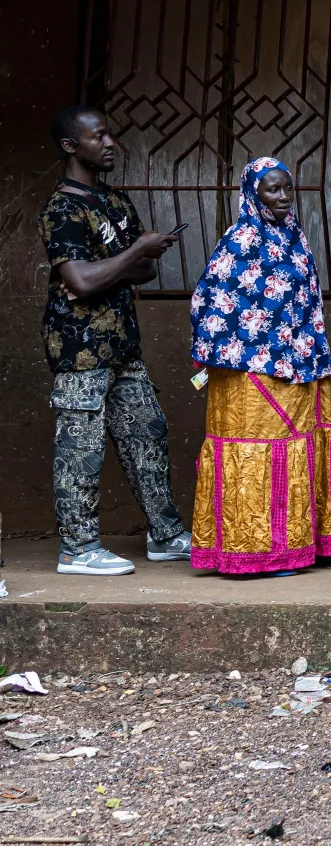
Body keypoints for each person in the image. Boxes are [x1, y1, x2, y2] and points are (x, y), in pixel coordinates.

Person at [39, 106, 190, 576]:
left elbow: (139, 271)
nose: (110, 143)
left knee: (148, 434)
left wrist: (145, 251)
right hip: (79, 347)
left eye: (109, 135)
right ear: (71, 145)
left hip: (122, 344)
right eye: (98, 136)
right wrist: (134, 252)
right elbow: (81, 281)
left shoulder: (117, 201)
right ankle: (78, 549)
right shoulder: (62, 208)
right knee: (80, 449)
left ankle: (165, 536)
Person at [188, 158, 331, 576]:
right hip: (254, 370)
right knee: (258, 453)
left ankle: (298, 547)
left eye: (288, 189)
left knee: (297, 449)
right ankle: (255, 554)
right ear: (253, 193)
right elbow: (209, 301)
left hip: (300, 365)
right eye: (273, 190)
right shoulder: (240, 239)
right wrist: (249, 351)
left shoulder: (294, 237)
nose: (283, 197)